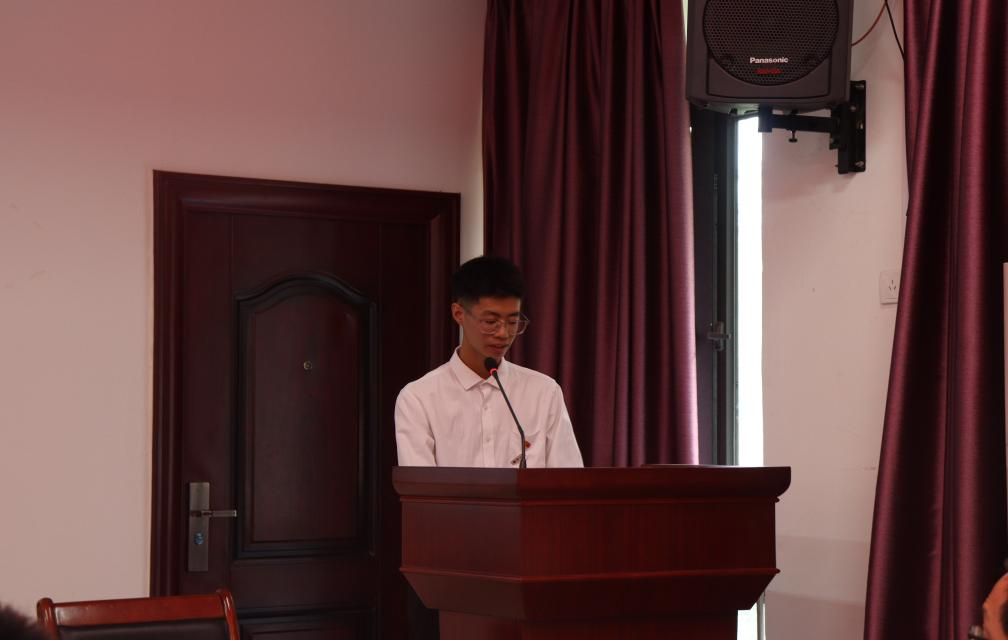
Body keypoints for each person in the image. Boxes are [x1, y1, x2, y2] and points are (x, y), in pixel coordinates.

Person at [394, 255, 583, 468]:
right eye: (491, 321)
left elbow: (568, 479)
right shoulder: (419, 399)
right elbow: (420, 486)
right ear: (458, 313)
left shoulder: (544, 393)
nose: (503, 333)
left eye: (513, 321)